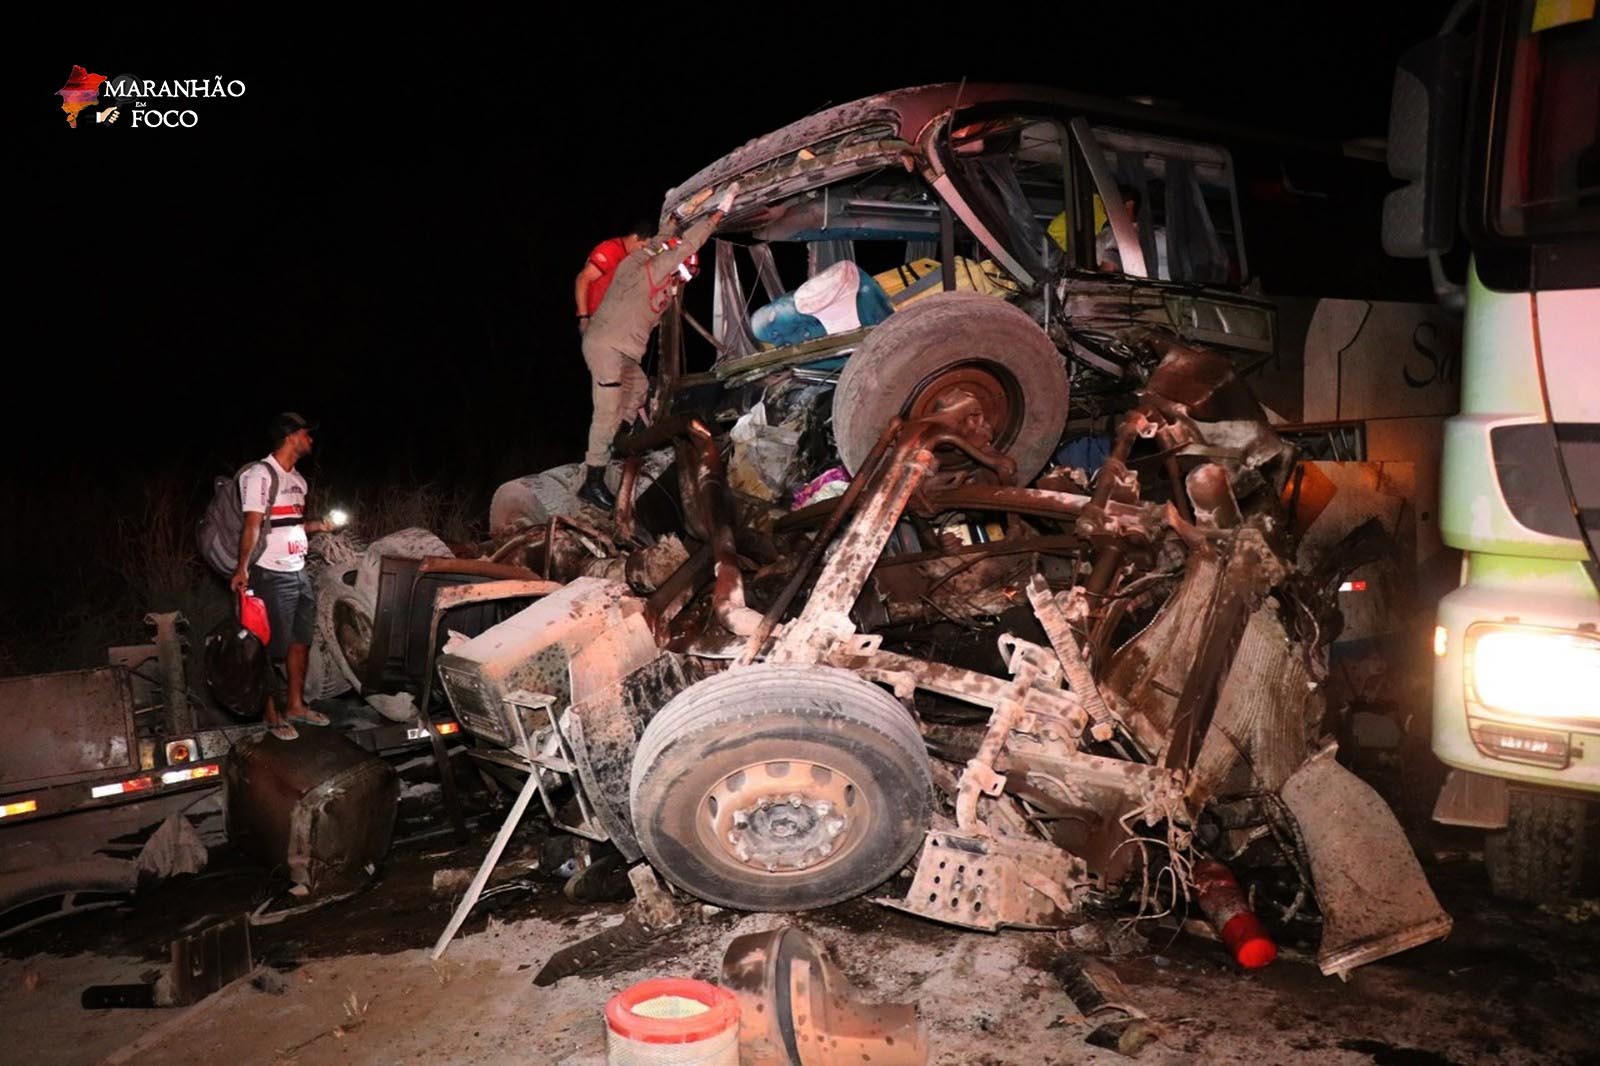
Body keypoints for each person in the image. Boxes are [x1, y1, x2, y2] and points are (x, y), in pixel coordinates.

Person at [577, 182, 739, 509]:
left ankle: (618, 442)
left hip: (621, 350)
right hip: (607, 348)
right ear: (674, 266)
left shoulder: (654, 268)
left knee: (637, 388)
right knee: (606, 412)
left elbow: (664, 237)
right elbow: (682, 245)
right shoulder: (646, 270)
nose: (681, 282)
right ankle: (591, 481)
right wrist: (719, 213)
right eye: (682, 275)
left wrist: (678, 215)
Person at [229, 412, 339, 741]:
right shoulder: (261, 475)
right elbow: (252, 524)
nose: (311, 440)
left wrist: (319, 526)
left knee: (299, 641)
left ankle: (295, 705)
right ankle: (272, 716)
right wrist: (242, 567)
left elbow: (288, 523)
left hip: (298, 570)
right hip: (269, 572)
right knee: (267, 648)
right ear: (291, 436)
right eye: (307, 434)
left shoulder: (299, 481)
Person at [575, 222, 655, 331]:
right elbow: (582, 279)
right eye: (642, 246)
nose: (642, 251)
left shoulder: (630, 256)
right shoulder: (611, 249)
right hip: (595, 318)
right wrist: (584, 318)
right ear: (634, 237)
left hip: (612, 319)